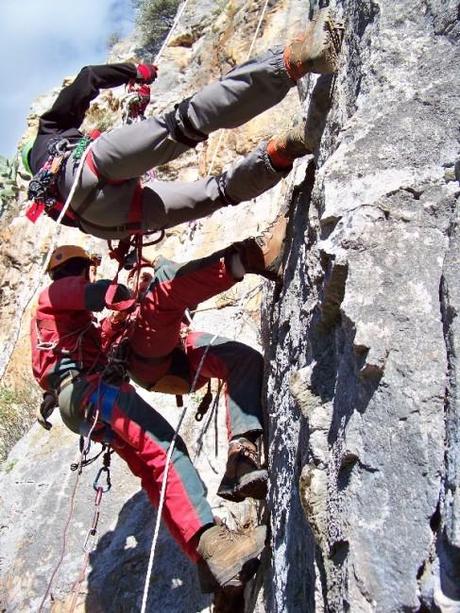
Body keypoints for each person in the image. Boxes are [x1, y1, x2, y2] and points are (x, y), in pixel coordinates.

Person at [29, 209, 289, 592]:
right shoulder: (55, 295)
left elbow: (100, 337)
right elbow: (98, 294)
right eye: (84, 271)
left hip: (86, 404)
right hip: (91, 393)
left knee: (154, 469)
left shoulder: (68, 327)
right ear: (77, 270)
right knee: (166, 450)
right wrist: (121, 292)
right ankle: (217, 546)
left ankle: (208, 557)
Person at [23, 8, 343, 238]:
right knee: (185, 123)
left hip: (101, 220)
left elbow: (73, 219)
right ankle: (296, 60)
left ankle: (281, 152)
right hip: (88, 166)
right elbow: (88, 78)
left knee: (215, 195)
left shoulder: (44, 191)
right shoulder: (49, 131)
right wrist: (134, 72)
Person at [101, 209, 289, 504]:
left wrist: (157, 262)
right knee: (164, 285)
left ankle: (241, 457)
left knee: (244, 360)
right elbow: (162, 290)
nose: (142, 277)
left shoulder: (156, 295)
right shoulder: (123, 310)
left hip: (179, 356)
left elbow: (183, 279)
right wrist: (126, 303)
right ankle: (251, 257)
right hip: (150, 358)